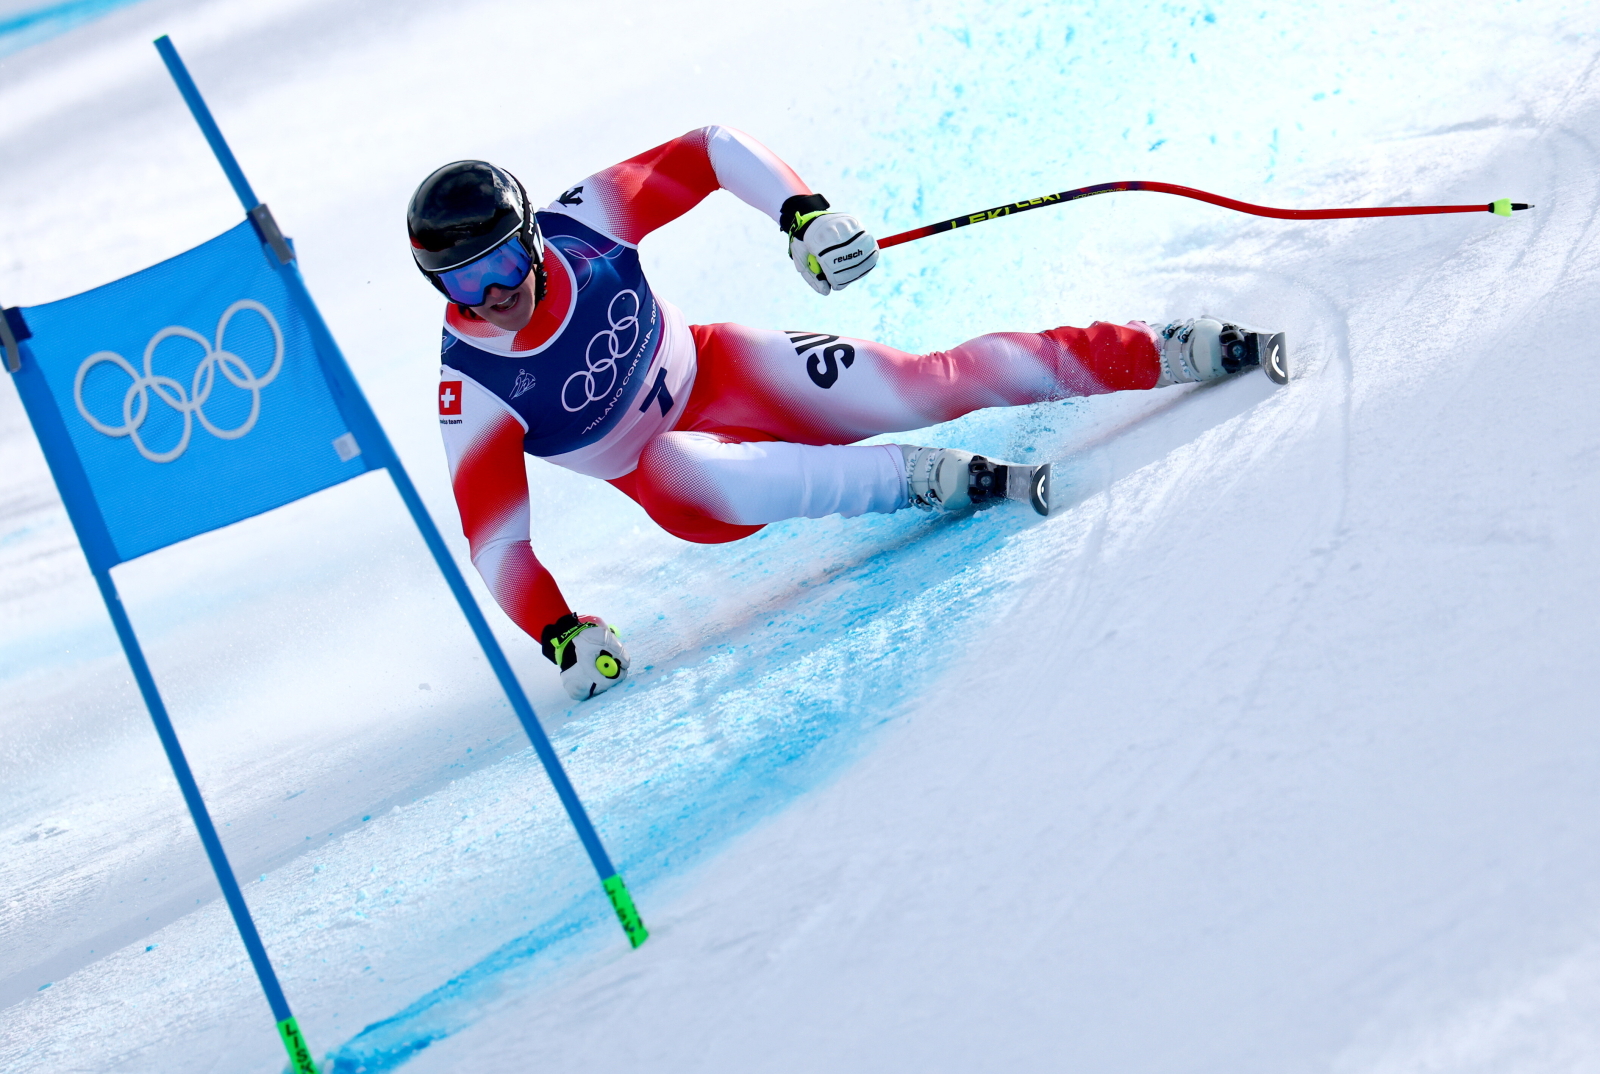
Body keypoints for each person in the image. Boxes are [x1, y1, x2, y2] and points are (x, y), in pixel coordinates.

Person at [407, 126, 1284, 701]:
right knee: (681, 463)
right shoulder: (472, 384)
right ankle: (911, 481)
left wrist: (805, 215)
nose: (488, 299)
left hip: (723, 368)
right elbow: (497, 543)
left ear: (528, 235)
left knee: (922, 384)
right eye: (457, 285)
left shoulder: (584, 223)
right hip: (680, 482)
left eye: (496, 269)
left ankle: (1159, 351)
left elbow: (710, 150)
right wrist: (561, 631)